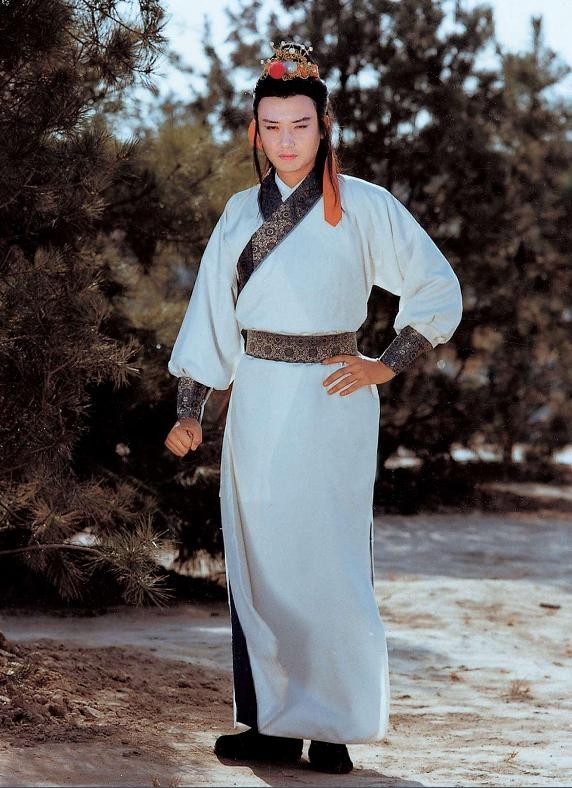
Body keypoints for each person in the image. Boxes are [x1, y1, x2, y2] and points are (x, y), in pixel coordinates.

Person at [165, 40, 463, 775]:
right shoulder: (240, 213)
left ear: (324, 125)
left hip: (335, 398)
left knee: (331, 564)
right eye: (273, 127)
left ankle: (332, 728)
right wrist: (192, 408)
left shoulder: (364, 205)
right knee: (261, 563)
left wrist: (386, 362)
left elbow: (436, 286)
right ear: (255, 131)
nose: (287, 140)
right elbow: (211, 316)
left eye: (301, 124)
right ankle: (269, 725)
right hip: (259, 401)